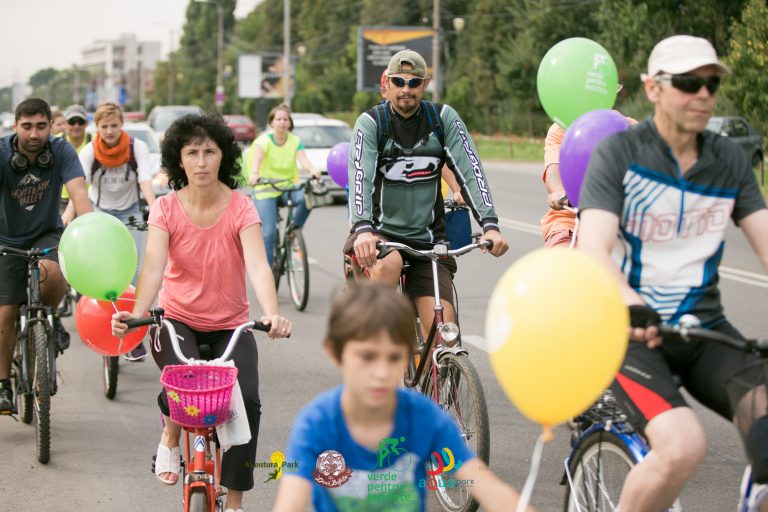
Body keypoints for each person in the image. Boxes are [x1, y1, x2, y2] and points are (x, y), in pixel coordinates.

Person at [577, 35, 768, 512]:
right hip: (630, 333)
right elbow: (593, 249)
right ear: (653, 89)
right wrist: (630, 303)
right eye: (688, 83)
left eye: (711, 84)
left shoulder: (729, 161)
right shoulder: (619, 154)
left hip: (703, 332)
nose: (702, 94)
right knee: (683, 446)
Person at [111, 113, 291, 512]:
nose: (202, 161)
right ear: (179, 160)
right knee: (183, 383)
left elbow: (258, 266)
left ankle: (236, 502)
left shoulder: (242, 208)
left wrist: (273, 314)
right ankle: (171, 439)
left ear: (224, 157)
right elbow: (154, 268)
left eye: (210, 151)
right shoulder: (165, 209)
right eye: (192, 152)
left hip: (232, 325)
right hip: (175, 322)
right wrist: (137, 316)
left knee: (246, 399)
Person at [272, 283, 532, 512]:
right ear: (334, 351)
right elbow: (291, 502)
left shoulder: (425, 419)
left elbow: (487, 487)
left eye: (394, 357)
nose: (382, 372)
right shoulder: (317, 424)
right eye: (367, 357)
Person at [346, 49, 508, 337]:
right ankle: (379, 354)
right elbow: (361, 178)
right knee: (391, 264)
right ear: (387, 83)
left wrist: (490, 225)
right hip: (379, 237)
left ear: (425, 84)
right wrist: (362, 230)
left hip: (429, 242)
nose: (406, 89)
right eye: (399, 81)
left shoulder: (442, 118)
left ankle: (439, 371)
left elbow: (470, 170)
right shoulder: (372, 123)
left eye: (414, 82)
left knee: (445, 333)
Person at [0, 98, 93, 414]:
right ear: (16, 127)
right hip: (6, 238)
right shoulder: (2, 153)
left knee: (53, 275)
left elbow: (80, 196)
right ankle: (2, 386)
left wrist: (90, 233)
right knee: (5, 312)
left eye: (41, 126)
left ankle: (49, 321)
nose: (34, 134)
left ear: (49, 126)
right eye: (27, 127)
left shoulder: (61, 150)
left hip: (46, 234)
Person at [70, 102, 156, 361]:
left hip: (130, 213)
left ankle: (134, 334)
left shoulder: (135, 147)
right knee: (103, 275)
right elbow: (79, 187)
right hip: (101, 214)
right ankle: (101, 323)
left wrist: (156, 210)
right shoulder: (90, 150)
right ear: (97, 127)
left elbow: (145, 181)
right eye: (105, 126)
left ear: (122, 125)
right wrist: (68, 216)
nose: (110, 131)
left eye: (115, 125)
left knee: (137, 273)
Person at [539, 87, 635, 248]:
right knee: (563, 261)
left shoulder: (630, 128)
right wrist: (560, 194)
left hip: (617, 221)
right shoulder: (561, 128)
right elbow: (553, 173)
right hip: (569, 220)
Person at [246, 104, 322, 267]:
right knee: (268, 234)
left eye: (285, 119)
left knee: (307, 197)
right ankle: (268, 270)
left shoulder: (295, 141)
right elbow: (257, 160)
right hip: (265, 189)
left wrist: (313, 171)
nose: (282, 122)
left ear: (290, 123)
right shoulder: (263, 140)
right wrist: (254, 174)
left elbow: (304, 160)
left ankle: (294, 232)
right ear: (271, 123)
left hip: (288, 187)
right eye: (278, 119)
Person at [60, 104, 91, 215]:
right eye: (72, 121)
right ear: (65, 124)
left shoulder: (94, 141)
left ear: (86, 124)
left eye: (80, 122)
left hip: (88, 199)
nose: (76, 126)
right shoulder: (56, 142)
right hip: (61, 200)